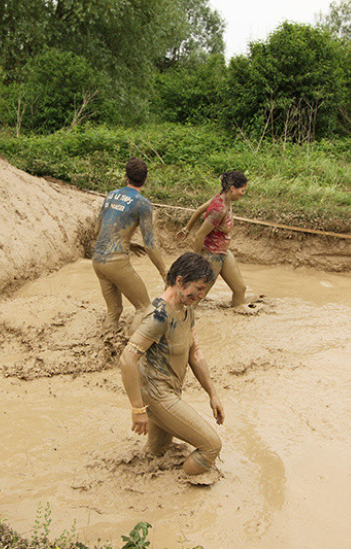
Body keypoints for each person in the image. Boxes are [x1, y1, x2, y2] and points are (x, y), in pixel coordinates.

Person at [120, 252, 224, 476]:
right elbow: (127, 358)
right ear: (180, 281)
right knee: (211, 446)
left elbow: (194, 353)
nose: (201, 295)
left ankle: (150, 492)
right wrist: (138, 409)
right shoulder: (159, 316)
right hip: (157, 395)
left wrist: (212, 394)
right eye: (198, 288)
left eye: (204, 290)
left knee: (159, 452)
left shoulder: (186, 309)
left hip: (170, 391)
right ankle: (183, 496)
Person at [92, 158, 168, 332]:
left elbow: (97, 232)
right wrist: (164, 273)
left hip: (98, 260)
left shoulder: (111, 195)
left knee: (114, 311)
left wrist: (127, 242)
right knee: (144, 308)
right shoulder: (143, 204)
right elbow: (149, 244)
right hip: (116, 261)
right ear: (145, 179)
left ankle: (106, 346)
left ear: (126, 177)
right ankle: (133, 353)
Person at [175, 171, 249, 308]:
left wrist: (186, 229)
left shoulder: (225, 200)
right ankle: (181, 321)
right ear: (232, 188)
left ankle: (235, 319)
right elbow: (200, 235)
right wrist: (196, 261)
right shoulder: (218, 210)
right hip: (211, 255)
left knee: (240, 289)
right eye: (242, 190)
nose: (244, 193)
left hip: (223, 252)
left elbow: (198, 210)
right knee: (195, 299)